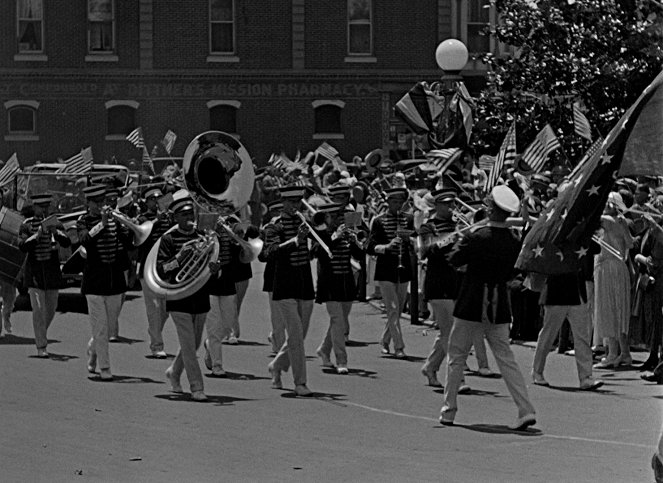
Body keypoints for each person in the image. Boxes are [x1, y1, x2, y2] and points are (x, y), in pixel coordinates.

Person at [440, 185, 536, 430]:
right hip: (499, 304)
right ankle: (525, 409)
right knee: (506, 359)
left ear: (491, 208)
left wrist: (459, 239)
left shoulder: (475, 236)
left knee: (457, 356)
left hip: (471, 301)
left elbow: (453, 259)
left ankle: (449, 409)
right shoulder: (513, 240)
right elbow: (514, 271)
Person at [159, 197, 217, 401]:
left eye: (191, 215)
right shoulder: (168, 239)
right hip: (179, 296)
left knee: (193, 344)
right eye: (184, 215)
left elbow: (211, 263)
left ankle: (174, 373)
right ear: (175, 218)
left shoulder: (203, 236)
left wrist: (215, 270)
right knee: (188, 345)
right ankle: (196, 386)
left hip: (200, 295)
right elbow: (162, 269)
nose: (189, 219)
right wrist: (180, 257)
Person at [262, 185, 315, 396]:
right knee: (295, 333)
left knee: (298, 336)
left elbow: (322, 244)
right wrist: (296, 241)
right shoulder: (274, 226)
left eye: (298, 202)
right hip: (284, 286)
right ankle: (300, 382)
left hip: (305, 284)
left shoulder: (305, 223)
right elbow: (270, 252)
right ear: (283, 202)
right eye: (292, 202)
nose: (295, 206)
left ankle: (276, 366)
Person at [418, 188, 471, 390]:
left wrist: (467, 236)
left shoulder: (459, 225)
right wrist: (449, 238)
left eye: (452, 204)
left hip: (457, 283)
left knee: (449, 331)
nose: (451, 208)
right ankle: (458, 380)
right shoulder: (428, 227)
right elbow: (425, 251)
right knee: (451, 333)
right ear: (437, 206)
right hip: (437, 283)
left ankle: (431, 366)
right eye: (447, 204)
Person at [77, 185, 130, 381]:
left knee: (106, 328)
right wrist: (102, 223)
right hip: (94, 281)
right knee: (100, 327)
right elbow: (85, 240)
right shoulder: (83, 221)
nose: (101, 205)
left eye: (103, 202)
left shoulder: (115, 220)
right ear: (88, 203)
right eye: (97, 202)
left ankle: (92, 349)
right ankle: (105, 367)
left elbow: (129, 244)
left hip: (114, 281)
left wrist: (126, 226)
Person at [531, 266, 604, 390]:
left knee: (582, 337)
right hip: (556, 290)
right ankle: (537, 371)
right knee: (548, 334)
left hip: (577, 290)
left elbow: (594, 249)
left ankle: (585, 377)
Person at [313, 203, 364, 374]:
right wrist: (335, 237)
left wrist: (355, 241)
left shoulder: (347, 233)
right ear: (326, 218)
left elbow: (359, 256)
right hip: (330, 284)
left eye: (339, 216)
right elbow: (318, 253)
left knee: (338, 321)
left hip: (346, 282)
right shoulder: (321, 234)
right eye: (333, 216)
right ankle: (341, 360)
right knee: (337, 320)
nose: (337, 220)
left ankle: (324, 350)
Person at [18, 193, 71, 357]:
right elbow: (23, 245)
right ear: (34, 207)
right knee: (38, 309)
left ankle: (40, 332)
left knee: (51, 308)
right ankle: (41, 345)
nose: (44, 210)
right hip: (35, 271)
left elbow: (67, 242)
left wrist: (56, 231)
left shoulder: (56, 222)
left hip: (51, 270)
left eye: (46, 207)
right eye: (41, 207)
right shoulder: (26, 225)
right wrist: (38, 234)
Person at [366, 187, 415, 358]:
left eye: (400, 202)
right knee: (392, 308)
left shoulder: (409, 219)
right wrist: (386, 247)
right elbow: (370, 246)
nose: (398, 205)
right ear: (388, 202)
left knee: (398, 309)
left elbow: (417, 240)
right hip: (386, 268)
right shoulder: (379, 221)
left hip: (403, 268)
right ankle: (399, 346)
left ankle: (385, 340)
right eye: (394, 202)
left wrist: (411, 239)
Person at [593, 192, 634, 369]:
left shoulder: (609, 220)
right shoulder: (621, 222)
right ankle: (624, 353)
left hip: (609, 268)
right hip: (619, 268)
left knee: (609, 309)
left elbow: (591, 216)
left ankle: (612, 353)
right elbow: (630, 243)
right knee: (619, 310)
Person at [137, 187, 173, 358]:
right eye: (153, 198)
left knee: (165, 309)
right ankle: (156, 345)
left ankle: (154, 329)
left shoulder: (168, 218)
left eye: (159, 198)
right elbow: (140, 240)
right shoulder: (143, 219)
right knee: (154, 308)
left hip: (165, 269)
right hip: (148, 268)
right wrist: (157, 222)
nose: (157, 201)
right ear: (147, 202)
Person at [259, 200, 285, 353]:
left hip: (291, 273)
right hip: (274, 274)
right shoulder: (267, 231)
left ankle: (276, 337)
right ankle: (279, 346)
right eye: (277, 214)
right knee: (277, 315)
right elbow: (262, 256)